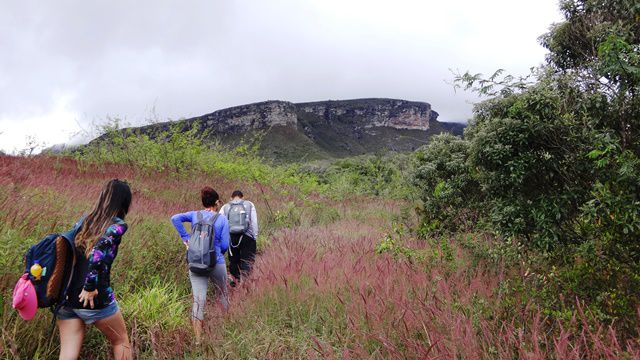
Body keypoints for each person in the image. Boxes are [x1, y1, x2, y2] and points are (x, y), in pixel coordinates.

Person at [57, 179, 132, 360]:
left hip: (67, 298)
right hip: (94, 298)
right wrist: (90, 287)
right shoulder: (117, 225)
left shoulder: (84, 220)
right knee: (120, 340)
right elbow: (98, 252)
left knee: (67, 353)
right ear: (124, 201)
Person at [170, 186, 229, 344]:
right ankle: (223, 334)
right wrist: (216, 254)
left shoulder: (195, 215)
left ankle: (197, 340)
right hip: (216, 262)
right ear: (217, 202)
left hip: (195, 262)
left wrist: (186, 238)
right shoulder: (222, 219)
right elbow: (225, 245)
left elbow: (175, 218)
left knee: (198, 301)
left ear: (203, 202)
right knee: (222, 295)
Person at [219, 190, 258, 286]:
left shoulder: (225, 207)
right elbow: (254, 222)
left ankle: (235, 284)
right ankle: (246, 285)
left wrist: (223, 239)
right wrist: (254, 236)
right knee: (247, 260)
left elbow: (221, 224)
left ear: (231, 198)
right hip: (247, 237)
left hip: (232, 238)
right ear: (242, 197)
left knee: (233, 261)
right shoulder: (249, 204)